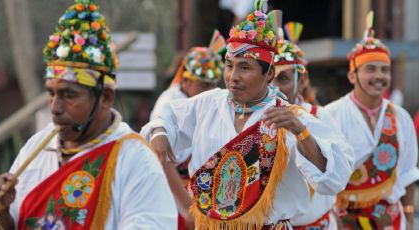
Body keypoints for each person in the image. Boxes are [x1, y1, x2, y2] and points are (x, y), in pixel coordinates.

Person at [142, 1, 353, 229]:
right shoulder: (209, 103)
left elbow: (333, 178)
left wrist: (301, 133)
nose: (233, 76)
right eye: (229, 66)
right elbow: (167, 118)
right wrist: (160, 134)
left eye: (244, 68)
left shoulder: (289, 117)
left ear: (269, 73)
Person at [0, 0, 177, 229]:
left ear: (106, 98)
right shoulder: (37, 146)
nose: (55, 107)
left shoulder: (135, 160)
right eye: (51, 94)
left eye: (69, 95)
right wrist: (1, 213)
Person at [325, 11, 419, 229]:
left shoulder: (401, 117)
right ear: (352, 76)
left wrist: (410, 214)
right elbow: (324, 177)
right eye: (370, 69)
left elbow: (407, 174)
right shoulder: (332, 114)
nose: (379, 76)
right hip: (343, 220)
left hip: (389, 219)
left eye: (385, 70)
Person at [270, 22, 353, 229]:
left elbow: (341, 169)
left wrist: (301, 131)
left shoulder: (319, 116)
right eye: (268, 79)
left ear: (303, 78)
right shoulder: (250, 119)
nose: (275, 89)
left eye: (283, 79)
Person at [150, 30, 225, 230]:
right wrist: (188, 208)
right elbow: (164, 163)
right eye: (203, 85)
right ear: (185, 81)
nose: (209, 91)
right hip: (175, 197)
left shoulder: (206, 102)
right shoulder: (169, 104)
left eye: (212, 85)